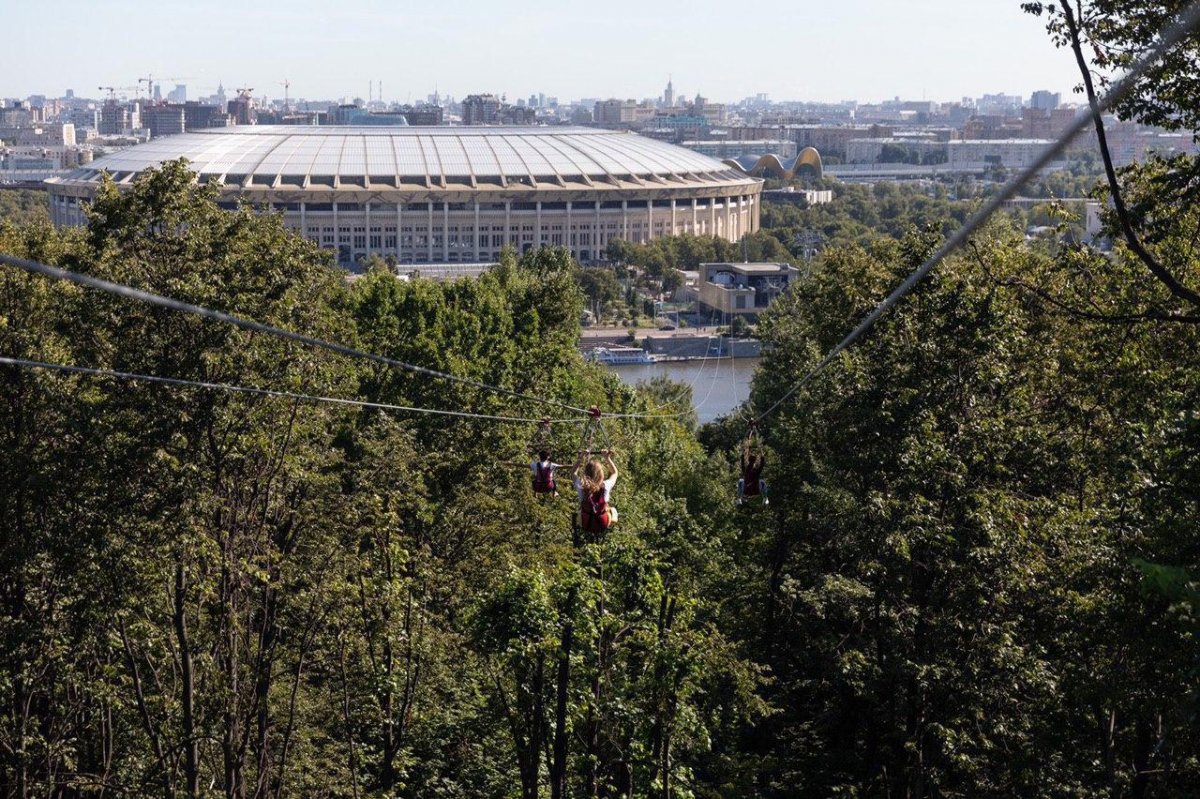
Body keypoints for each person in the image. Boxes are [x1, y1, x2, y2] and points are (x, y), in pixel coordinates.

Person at [575, 449, 619, 533]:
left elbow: (573, 473)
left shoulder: (581, 486)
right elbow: (615, 473)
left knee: (580, 511)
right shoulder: (605, 486)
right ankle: (608, 517)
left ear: (586, 473)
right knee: (612, 510)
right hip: (603, 522)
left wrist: (580, 458)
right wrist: (607, 458)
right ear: (601, 474)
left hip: (586, 523)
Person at [737, 440, 768, 505]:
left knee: (740, 481)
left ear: (749, 461)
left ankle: (739, 498)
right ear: (754, 463)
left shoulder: (745, 470)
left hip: (746, 491)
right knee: (762, 481)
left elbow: (742, 461)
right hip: (756, 491)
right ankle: (765, 498)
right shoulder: (757, 471)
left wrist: (744, 450)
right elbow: (762, 463)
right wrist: (760, 450)